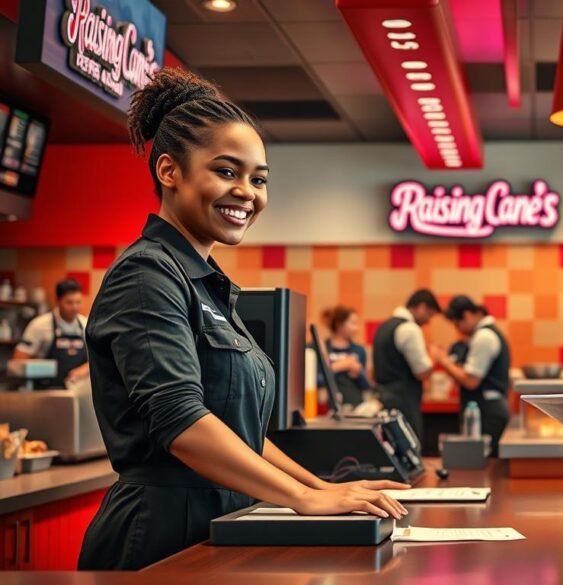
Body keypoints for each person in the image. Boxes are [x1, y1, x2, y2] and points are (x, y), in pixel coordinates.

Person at [79, 69, 407, 571]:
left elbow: (241, 434)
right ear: (169, 171)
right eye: (227, 172)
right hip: (163, 535)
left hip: (222, 522)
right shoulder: (146, 274)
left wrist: (319, 487)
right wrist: (303, 500)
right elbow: (181, 421)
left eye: (258, 179)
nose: (247, 193)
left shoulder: (207, 283)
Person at [431, 295, 511, 455]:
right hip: (488, 407)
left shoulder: (484, 337)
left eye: (456, 323)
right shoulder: (486, 334)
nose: (457, 329)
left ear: (467, 315)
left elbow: (471, 381)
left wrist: (443, 361)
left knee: (484, 464)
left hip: (487, 411)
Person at [372, 289, 440, 443]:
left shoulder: (384, 327)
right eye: (429, 315)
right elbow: (421, 371)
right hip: (404, 401)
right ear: (422, 307)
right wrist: (434, 357)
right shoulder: (410, 329)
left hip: (383, 397)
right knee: (410, 446)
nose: (428, 321)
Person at [14, 278, 90, 388]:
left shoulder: (86, 325)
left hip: (76, 392)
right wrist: (44, 367)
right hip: (44, 393)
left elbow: (100, 359)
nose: (74, 307)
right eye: (69, 302)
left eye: (78, 302)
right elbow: (18, 359)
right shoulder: (39, 325)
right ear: (58, 301)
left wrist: (85, 369)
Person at [322, 306, 370, 407]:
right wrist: (339, 366)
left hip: (355, 404)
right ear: (340, 325)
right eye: (352, 323)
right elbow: (315, 379)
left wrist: (358, 372)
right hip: (327, 405)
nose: (356, 328)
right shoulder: (322, 348)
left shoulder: (359, 350)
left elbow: (366, 385)